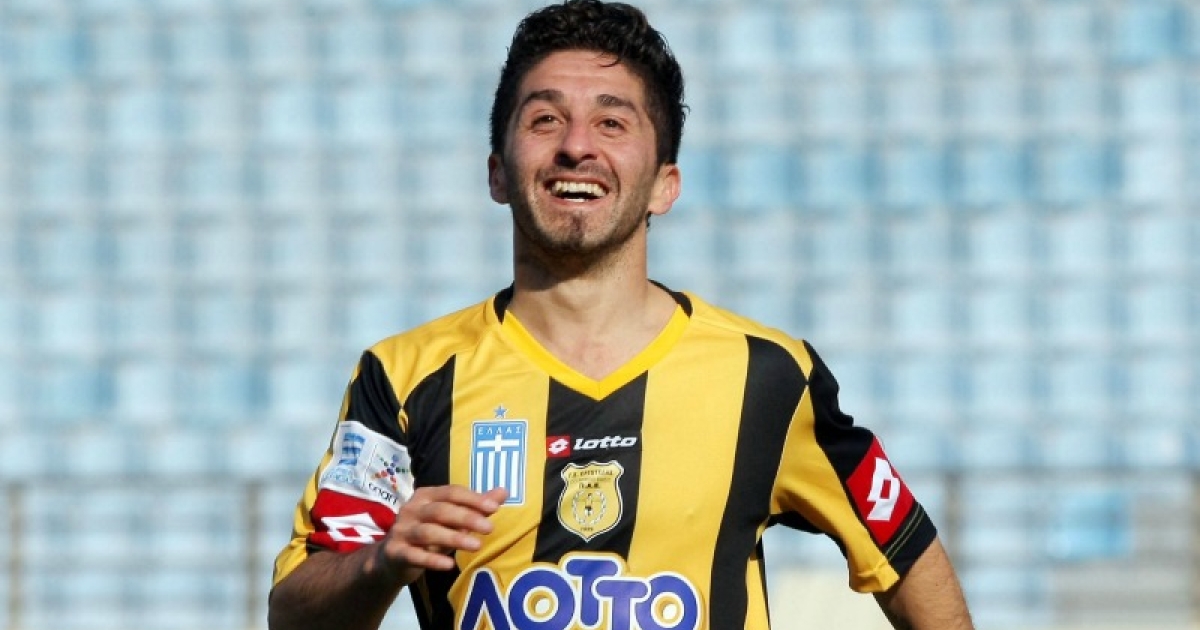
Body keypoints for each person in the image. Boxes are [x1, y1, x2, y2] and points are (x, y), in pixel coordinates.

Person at [268, 1, 975, 629]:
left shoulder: (767, 377)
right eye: (545, 119)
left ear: (665, 184)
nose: (577, 145)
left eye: (612, 121)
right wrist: (379, 562)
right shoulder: (405, 377)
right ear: (497, 172)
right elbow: (293, 615)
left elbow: (905, 549)